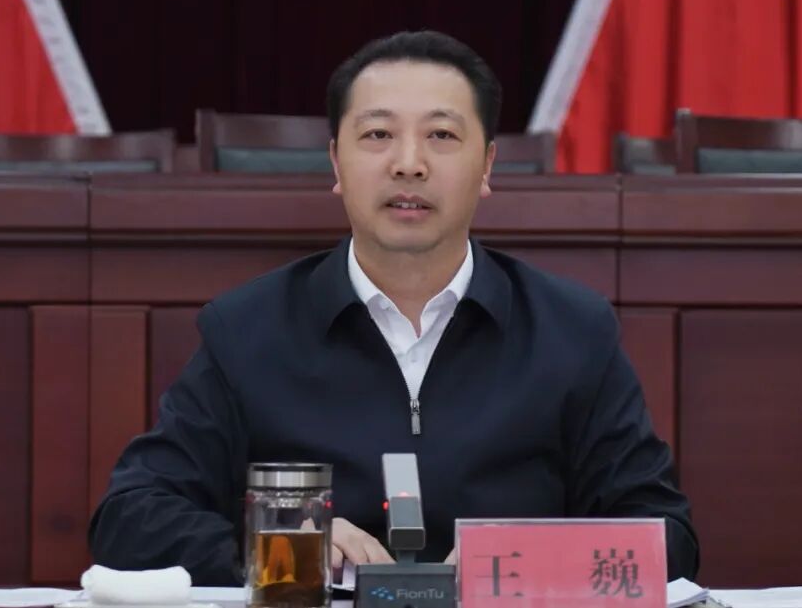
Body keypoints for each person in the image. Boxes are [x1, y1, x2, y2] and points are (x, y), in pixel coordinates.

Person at [88, 30, 699, 584]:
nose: (409, 163)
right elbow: (129, 518)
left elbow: (666, 535)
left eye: (442, 136)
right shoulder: (247, 329)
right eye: (378, 135)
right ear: (336, 162)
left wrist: (522, 558)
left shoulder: (571, 330)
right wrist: (286, 549)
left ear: (487, 165)